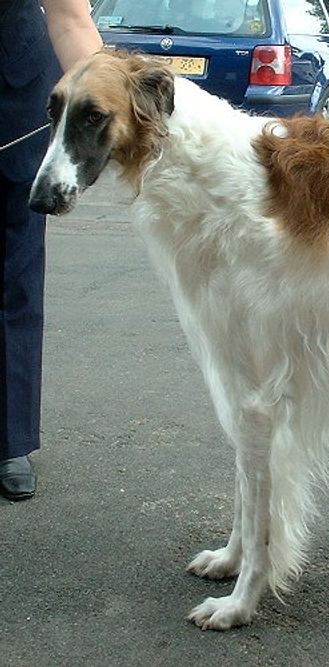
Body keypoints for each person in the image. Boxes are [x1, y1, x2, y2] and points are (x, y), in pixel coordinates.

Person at [0, 0, 102, 500]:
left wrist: (111, 90)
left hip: (11, 89)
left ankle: (8, 439)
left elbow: (68, 16)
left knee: (13, 275)